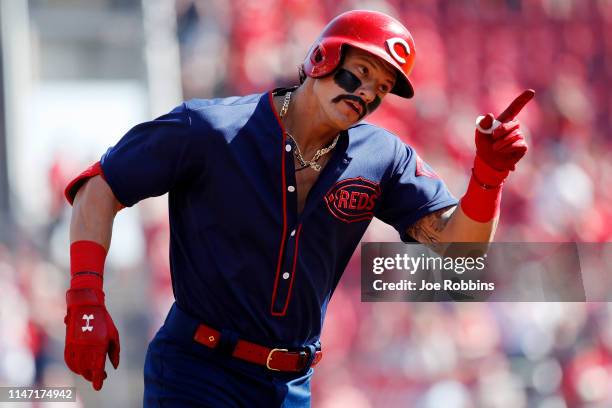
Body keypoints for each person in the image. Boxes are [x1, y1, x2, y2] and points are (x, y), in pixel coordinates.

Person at [62, 9, 533, 407]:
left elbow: (459, 252)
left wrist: (486, 178)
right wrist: (85, 299)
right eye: (361, 72)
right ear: (321, 57)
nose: (366, 92)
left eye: (381, 87)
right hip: (196, 371)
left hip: (289, 386)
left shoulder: (383, 157)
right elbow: (100, 187)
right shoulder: (210, 127)